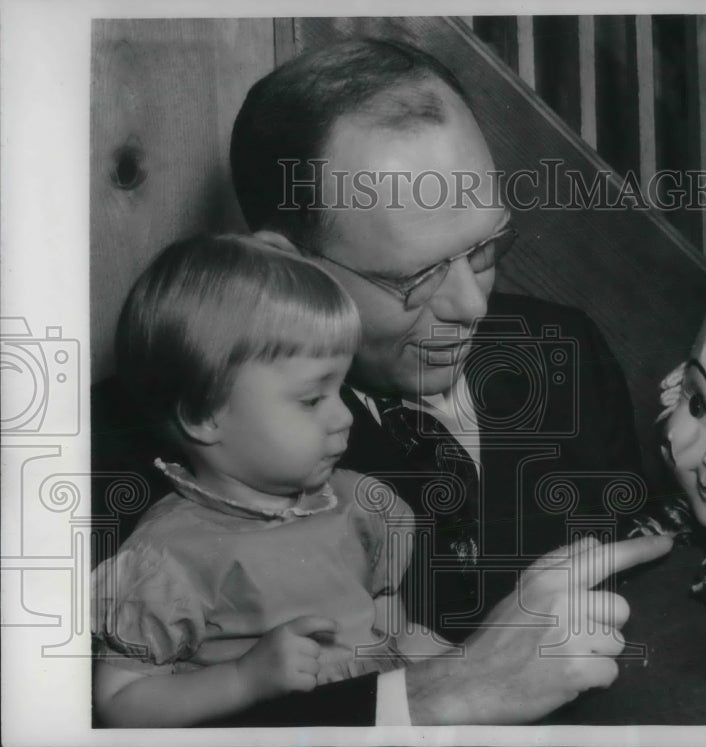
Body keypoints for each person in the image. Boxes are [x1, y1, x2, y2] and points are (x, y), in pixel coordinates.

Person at [219, 38, 672, 725]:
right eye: (420, 275)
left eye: (486, 247)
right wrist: (450, 691)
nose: (474, 305)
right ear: (289, 268)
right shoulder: (193, 437)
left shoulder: (564, 349)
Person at [91, 233, 453, 727]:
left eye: (341, 389)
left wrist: (441, 659)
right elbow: (119, 705)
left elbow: (385, 620)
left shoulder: (353, 502)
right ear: (204, 414)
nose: (344, 417)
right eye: (311, 399)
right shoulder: (169, 559)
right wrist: (243, 678)